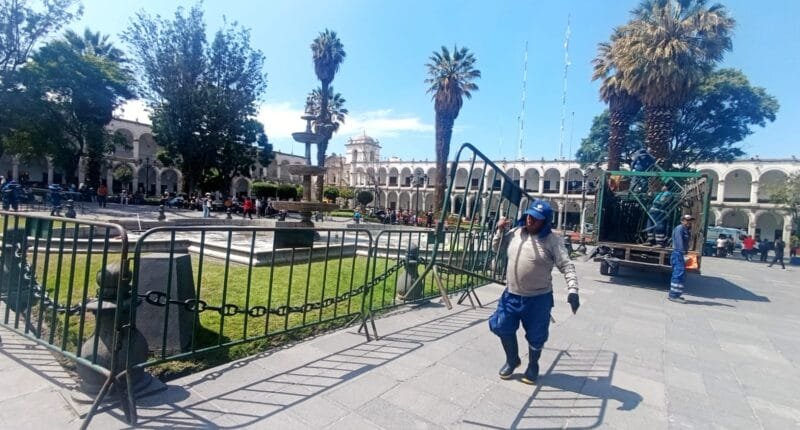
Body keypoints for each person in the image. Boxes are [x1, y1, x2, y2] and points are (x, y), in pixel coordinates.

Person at [489, 199, 580, 385]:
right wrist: (499, 230)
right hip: (511, 295)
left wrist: (573, 290)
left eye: (536, 218)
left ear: (545, 221)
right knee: (500, 325)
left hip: (538, 299)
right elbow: (496, 248)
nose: (530, 220)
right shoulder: (515, 233)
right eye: (529, 215)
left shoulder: (552, 241)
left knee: (536, 335)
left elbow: (567, 265)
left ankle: (533, 365)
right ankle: (512, 359)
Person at [668, 214, 695, 303]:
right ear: (682, 221)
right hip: (678, 253)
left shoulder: (685, 229)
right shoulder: (680, 228)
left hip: (680, 253)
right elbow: (679, 242)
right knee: (678, 274)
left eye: (690, 221)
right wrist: (683, 254)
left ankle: (677, 295)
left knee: (681, 274)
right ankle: (673, 295)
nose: (689, 222)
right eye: (687, 220)